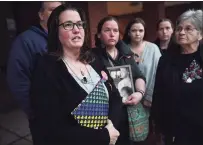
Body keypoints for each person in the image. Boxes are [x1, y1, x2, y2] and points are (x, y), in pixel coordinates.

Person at [30, 5, 122, 145]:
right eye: (68, 25)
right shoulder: (46, 69)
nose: (76, 29)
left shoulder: (94, 59)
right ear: (56, 31)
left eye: (80, 24)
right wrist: (102, 137)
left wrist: (111, 127)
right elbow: (51, 129)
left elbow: (115, 96)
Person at [6, 1, 63, 144]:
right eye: (52, 10)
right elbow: (18, 81)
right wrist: (34, 112)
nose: (57, 14)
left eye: (60, 10)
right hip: (43, 117)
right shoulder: (25, 41)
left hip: (68, 113)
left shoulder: (65, 38)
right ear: (41, 15)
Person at [151, 9, 203, 145]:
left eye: (188, 29)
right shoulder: (166, 60)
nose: (181, 32)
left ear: (200, 34)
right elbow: (158, 94)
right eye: (179, 28)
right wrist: (158, 125)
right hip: (175, 129)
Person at [93, 16, 146, 145]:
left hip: (128, 112)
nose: (112, 34)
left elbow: (138, 76)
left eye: (116, 31)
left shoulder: (126, 53)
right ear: (99, 34)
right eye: (107, 30)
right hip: (107, 114)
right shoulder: (92, 56)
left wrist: (139, 93)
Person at [123, 18, 161, 109]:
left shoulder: (153, 48)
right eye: (134, 30)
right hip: (129, 99)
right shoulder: (123, 50)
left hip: (151, 98)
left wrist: (149, 96)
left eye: (141, 30)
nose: (137, 33)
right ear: (128, 32)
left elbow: (159, 72)